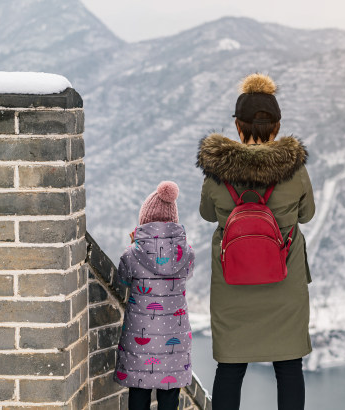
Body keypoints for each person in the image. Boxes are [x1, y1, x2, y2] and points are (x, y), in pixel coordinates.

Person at [196, 73, 315, 410]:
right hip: (284, 283)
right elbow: (306, 215)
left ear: (237, 126)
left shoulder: (216, 170)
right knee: (289, 367)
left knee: (230, 370)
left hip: (233, 285)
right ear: (277, 127)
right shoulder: (295, 169)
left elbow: (207, 214)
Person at [113, 181, 195, 410]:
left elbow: (123, 279)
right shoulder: (186, 254)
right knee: (169, 398)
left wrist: (134, 244)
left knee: (139, 394)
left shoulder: (132, 254)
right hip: (174, 340)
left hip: (141, 338)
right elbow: (187, 273)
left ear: (144, 219)